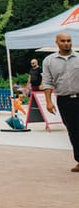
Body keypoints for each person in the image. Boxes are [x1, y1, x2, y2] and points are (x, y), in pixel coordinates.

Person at [40, 32, 79, 172]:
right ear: (57, 42)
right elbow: (47, 82)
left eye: (69, 40)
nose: (66, 43)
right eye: (63, 41)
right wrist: (48, 102)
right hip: (64, 100)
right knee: (73, 130)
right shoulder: (49, 61)